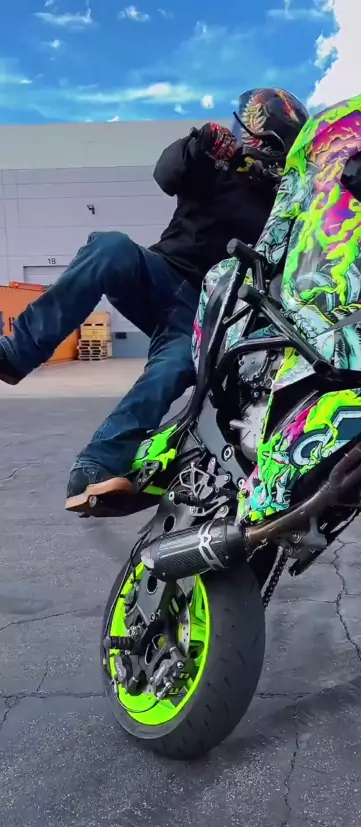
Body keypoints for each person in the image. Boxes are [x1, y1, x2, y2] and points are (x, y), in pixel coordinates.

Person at [0, 88, 309, 514]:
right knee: (110, 247)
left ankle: (95, 467)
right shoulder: (216, 167)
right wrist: (199, 143)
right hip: (159, 275)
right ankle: (17, 353)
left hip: (208, 313)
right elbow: (166, 174)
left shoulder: (283, 210)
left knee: (175, 366)